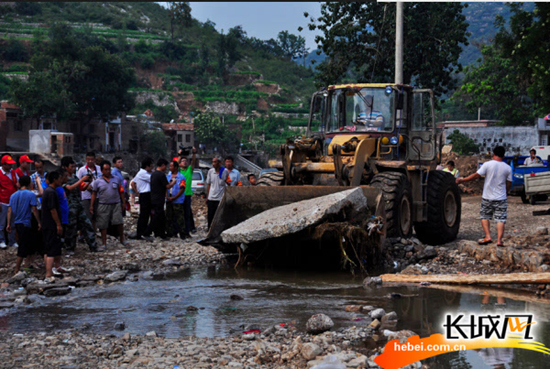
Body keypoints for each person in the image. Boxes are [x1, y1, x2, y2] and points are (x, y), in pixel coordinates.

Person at [457, 146, 512, 247]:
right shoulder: (508, 168)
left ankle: (488, 236)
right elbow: (509, 183)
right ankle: (499, 240)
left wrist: (462, 180)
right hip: (501, 198)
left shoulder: (487, 164)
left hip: (487, 197)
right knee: (500, 219)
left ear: (493, 154)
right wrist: (506, 192)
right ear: (503, 156)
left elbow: (476, 175)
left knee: (484, 216)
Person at [61, 156, 97, 252]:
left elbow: (82, 188)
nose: (73, 169)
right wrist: (81, 180)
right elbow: (69, 188)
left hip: (78, 204)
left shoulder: (74, 177)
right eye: (71, 167)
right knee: (71, 228)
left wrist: (88, 182)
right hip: (69, 206)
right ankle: (70, 248)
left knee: (87, 225)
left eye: (74, 167)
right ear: (65, 167)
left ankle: (93, 245)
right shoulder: (63, 178)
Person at [6, 176, 41, 274]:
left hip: (17, 223)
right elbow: (34, 209)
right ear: (29, 183)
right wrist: (39, 222)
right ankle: (17, 269)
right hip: (26, 223)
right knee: (23, 246)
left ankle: (27, 265)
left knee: (28, 244)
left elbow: (9, 210)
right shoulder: (30, 194)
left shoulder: (13, 195)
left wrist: (8, 223)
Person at [90, 160, 127, 250]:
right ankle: (104, 243)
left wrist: (124, 202)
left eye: (108, 169)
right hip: (103, 204)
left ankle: (122, 239)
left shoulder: (116, 179)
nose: (108, 171)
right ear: (102, 171)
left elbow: (121, 191)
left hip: (116, 203)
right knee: (103, 224)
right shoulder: (97, 181)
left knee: (119, 221)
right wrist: (91, 205)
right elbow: (94, 194)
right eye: (105, 170)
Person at [41, 171, 66, 282]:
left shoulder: (48, 191)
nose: (61, 181)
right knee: (51, 249)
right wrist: (58, 224)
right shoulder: (51, 192)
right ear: (55, 179)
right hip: (51, 224)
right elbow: (53, 209)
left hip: (46, 224)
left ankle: (49, 272)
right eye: (60, 179)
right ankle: (48, 274)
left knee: (47, 249)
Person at [147, 158, 177, 240]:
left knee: (161, 217)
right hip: (159, 199)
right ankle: (148, 231)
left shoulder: (153, 174)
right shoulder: (161, 175)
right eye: (166, 166)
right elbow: (167, 186)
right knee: (157, 216)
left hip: (153, 197)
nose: (166, 168)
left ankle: (160, 233)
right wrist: (173, 182)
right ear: (163, 165)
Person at [131, 157, 154, 241]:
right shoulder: (143, 174)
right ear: (148, 165)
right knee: (144, 215)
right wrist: (138, 192)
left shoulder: (142, 173)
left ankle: (141, 232)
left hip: (145, 195)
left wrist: (137, 191)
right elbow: (154, 180)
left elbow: (133, 183)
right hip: (145, 195)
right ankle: (141, 232)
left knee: (145, 214)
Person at [76, 152, 101, 229]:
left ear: (95, 160)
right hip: (86, 196)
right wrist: (85, 186)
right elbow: (77, 181)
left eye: (92, 159)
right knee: (87, 216)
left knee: (95, 216)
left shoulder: (99, 169)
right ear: (86, 159)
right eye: (88, 159)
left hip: (97, 196)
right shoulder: (82, 170)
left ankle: (93, 232)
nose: (90, 161)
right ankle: (84, 234)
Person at [166, 160, 188, 239]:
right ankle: (170, 233)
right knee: (169, 217)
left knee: (179, 217)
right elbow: (165, 187)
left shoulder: (181, 177)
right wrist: (167, 196)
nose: (170, 168)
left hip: (178, 200)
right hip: (168, 200)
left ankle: (182, 233)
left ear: (175, 167)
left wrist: (175, 197)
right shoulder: (167, 176)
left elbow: (182, 189)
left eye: (171, 166)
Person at [0, 154, 19, 249]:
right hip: (3, 201)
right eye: (8, 164)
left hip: (13, 202)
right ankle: (2, 240)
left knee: (12, 222)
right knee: (2, 223)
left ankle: (12, 241)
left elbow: (17, 184)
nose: (10, 166)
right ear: (3, 164)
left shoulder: (13, 173)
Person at [205, 157, 229, 229]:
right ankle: (210, 229)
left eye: (215, 162)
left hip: (220, 197)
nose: (213, 164)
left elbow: (228, 183)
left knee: (220, 215)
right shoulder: (210, 171)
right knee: (210, 215)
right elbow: (208, 184)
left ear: (219, 163)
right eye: (212, 162)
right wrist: (207, 196)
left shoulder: (225, 171)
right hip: (211, 197)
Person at [179, 147, 197, 235]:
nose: (185, 162)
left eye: (186, 161)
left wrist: (194, 153)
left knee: (188, 212)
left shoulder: (190, 170)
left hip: (187, 194)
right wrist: (179, 155)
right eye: (183, 161)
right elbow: (175, 163)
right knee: (180, 212)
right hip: (179, 195)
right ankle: (181, 228)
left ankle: (190, 228)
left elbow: (193, 162)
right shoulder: (179, 171)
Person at [56, 168, 70, 247]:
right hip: (60, 216)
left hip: (64, 216)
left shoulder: (61, 188)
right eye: (65, 176)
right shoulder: (57, 189)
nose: (67, 178)